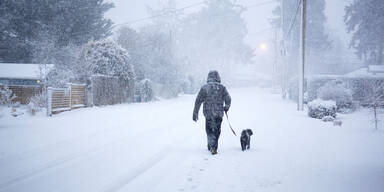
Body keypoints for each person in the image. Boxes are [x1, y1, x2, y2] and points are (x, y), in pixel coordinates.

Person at [193, 70, 231, 155]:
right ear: (218, 77)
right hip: (218, 113)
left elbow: (198, 101)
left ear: (208, 77)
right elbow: (228, 99)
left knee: (209, 129)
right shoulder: (222, 88)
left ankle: (210, 144)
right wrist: (226, 107)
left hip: (208, 113)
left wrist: (195, 113)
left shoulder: (204, 88)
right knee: (217, 130)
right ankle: (214, 146)